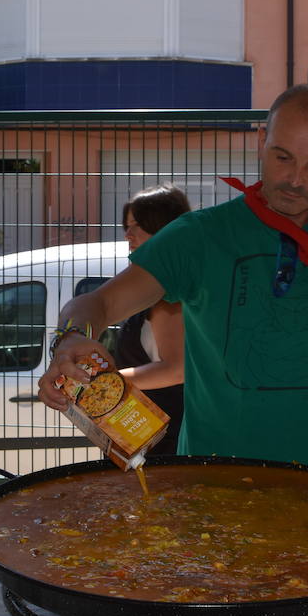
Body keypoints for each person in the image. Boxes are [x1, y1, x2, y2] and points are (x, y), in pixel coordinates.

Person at [39, 85, 308, 481]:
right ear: (262, 141)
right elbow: (99, 304)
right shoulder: (199, 237)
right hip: (210, 481)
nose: (294, 179)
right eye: (283, 157)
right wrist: (70, 338)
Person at [114, 183, 190, 457]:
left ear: (163, 228)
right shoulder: (155, 285)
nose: (127, 234)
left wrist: (108, 384)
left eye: (137, 225)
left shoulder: (169, 293)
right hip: (151, 439)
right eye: (126, 225)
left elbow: (176, 369)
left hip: (168, 445)